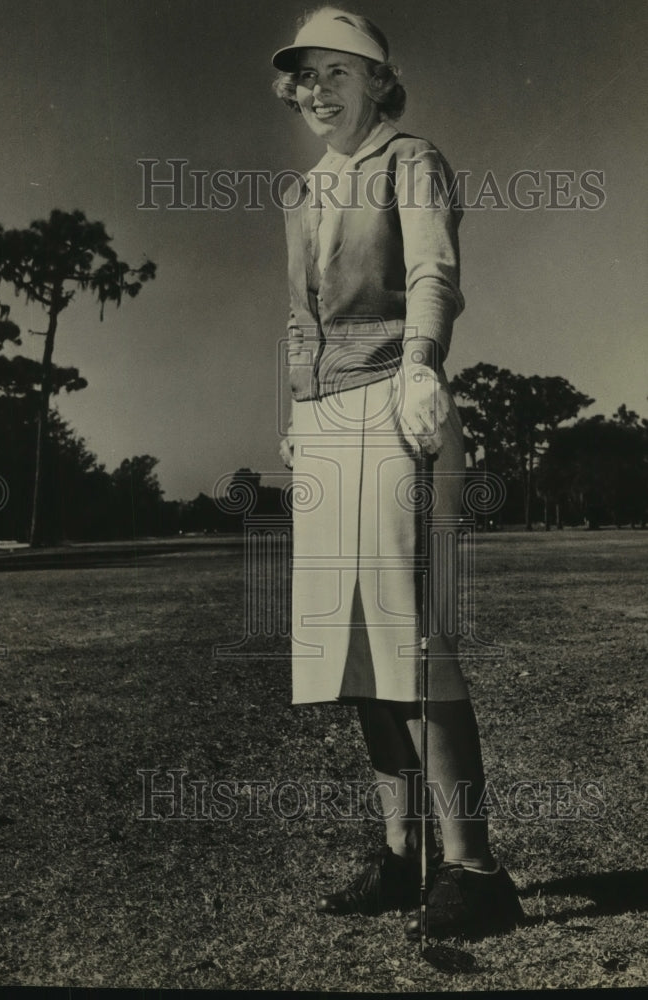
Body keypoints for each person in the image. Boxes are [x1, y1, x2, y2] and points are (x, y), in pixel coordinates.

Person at [271, 6, 524, 940]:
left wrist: (421, 364)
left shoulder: (410, 159)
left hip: (397, 402)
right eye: (306, 75)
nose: (317, 89)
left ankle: (473, 869)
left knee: (413, 644)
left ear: (379, 81)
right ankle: (400, 855)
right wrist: (298, 408)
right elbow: (300, 318)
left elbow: (431, 274)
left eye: (338, 71)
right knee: (350, 651)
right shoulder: (302, 191)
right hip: (326, 418)